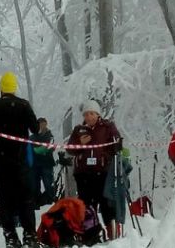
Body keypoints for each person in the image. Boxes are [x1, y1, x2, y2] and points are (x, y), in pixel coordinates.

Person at [0, 72, 41, 248]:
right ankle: (29, 235)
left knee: (5, 197)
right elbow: (35, 128)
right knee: (26, 197)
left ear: (1, 89)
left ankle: (10, 236)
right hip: (20, 158)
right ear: (14, 88)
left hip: (2, 158)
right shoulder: (23, 105)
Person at [67, 100, 123, 236]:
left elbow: (117, 144)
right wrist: (80, 143)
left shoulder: (107, 126)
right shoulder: (79, 129)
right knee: (86, 204)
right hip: (83, 173)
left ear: (98, 114)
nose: (89, 117)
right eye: (86, 114)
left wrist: (111, 150)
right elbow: (70, 148)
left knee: (105, 202)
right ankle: (91, 233)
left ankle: (112, 231)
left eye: (91, 113)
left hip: (102, 171)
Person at [32, 118, 57, 203]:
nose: (41, 126)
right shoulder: (33, 136)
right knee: (35, 185)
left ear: (46, 124)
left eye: (43, 123)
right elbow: (28, 148)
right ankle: (37, 201)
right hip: (35, 165)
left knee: (48, 184)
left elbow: (50, 148)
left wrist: (36, 150)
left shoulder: (50, 136)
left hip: (47, 164)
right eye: (39, 124)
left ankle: (51, 200)